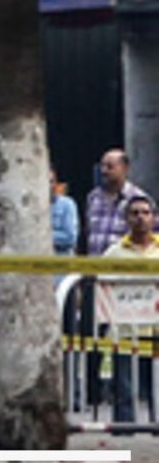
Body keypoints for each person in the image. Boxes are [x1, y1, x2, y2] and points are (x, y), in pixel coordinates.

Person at [103, 195, 159, 423]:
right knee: (124, 386)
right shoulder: (113, 253)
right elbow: (103, 285)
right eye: (135, 213)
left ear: (154, 218)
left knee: (156, 384)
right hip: (124, 329)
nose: (140, 218)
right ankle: (124, 429)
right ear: (126, 219)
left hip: (155, 328)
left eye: (145, 213)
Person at [86, 149, 149, 257]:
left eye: (110, 167)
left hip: (122, 267)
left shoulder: (139, 200)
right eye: (102, 166)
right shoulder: (93, 197)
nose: (104, 171)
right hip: (96, 267)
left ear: (125, 168)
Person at [51, 167, 80, 256]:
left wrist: (42, 234)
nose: (48, 185)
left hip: (61, 266)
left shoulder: (66, 204)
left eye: (51, 181)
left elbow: (70, 238)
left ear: (56, 183)